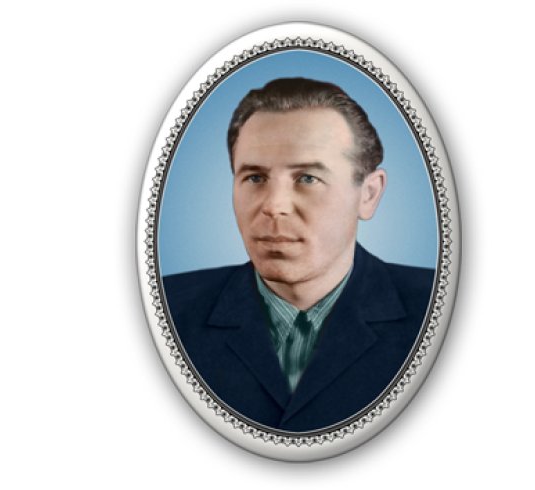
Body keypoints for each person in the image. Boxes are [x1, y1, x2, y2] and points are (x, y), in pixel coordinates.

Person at [162, 78, 435, 432]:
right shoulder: (162, 309)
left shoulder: (442, 309)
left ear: (368, 195)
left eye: (307, 178)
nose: (274, 206)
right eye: (255, 178)